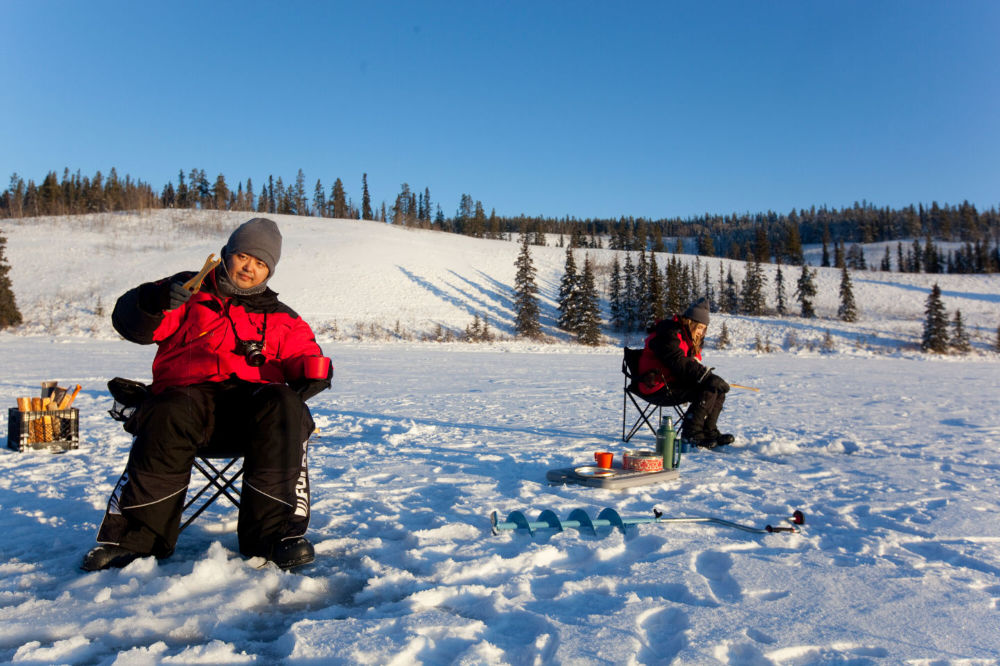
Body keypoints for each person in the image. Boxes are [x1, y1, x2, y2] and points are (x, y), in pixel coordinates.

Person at [82, 217, 332, 571]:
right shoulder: (186, 290)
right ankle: (137, 540)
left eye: (261, 263)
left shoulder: (282, 318)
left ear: (269, 271)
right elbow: (132, 324)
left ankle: (273, 536)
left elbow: (304, 355)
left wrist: (315, 370)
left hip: (251, 417)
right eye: (245, 256)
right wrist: (155, 300)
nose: (250, 267)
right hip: (185, 407)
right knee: (168, 407)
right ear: (228, 253)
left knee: (284, 403)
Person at [636, 297, 734, 448]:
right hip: (656, 385)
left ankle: (709, 431)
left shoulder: (686, 338)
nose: (701, 333)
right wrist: (706, 376)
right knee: (708, 388)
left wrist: (707, 377)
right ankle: (692, 434)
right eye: (700, 327)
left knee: (716, 388)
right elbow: (677, 361)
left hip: (672, 381)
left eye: (704, 329)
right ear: (690, 323)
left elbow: (692, 364)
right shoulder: (669, 333)